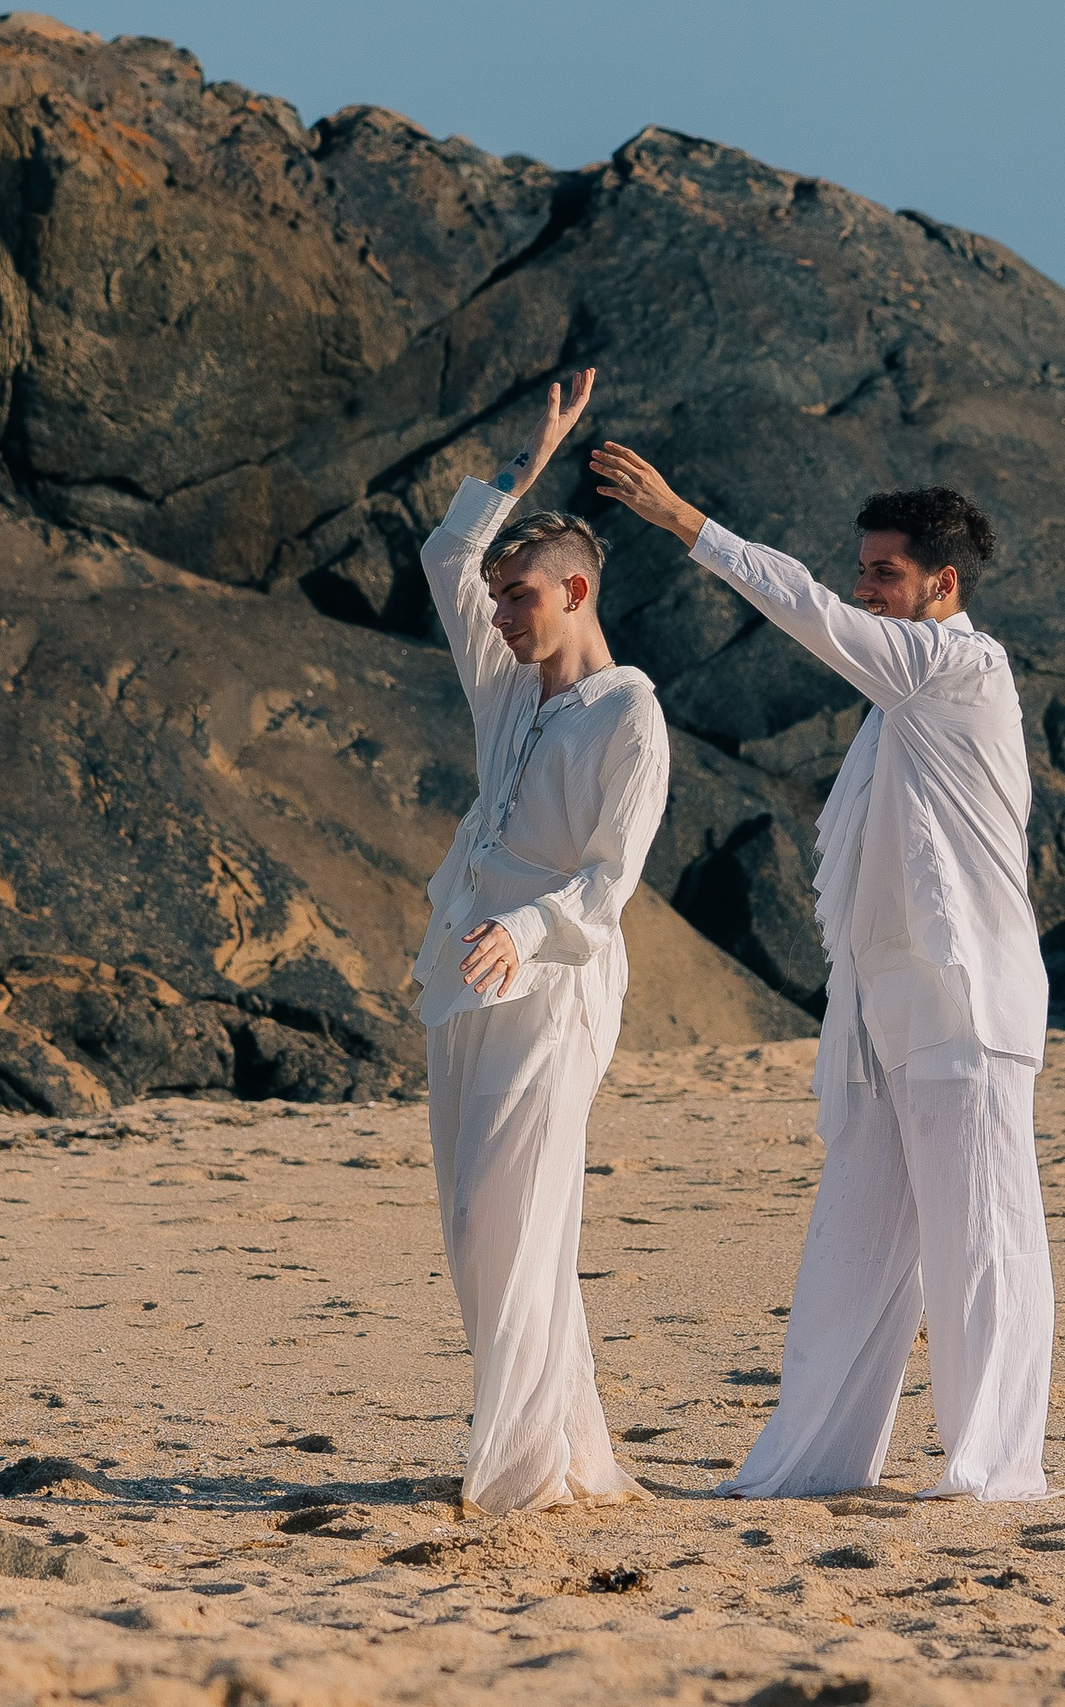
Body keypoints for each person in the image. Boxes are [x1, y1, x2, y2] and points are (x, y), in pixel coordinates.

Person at [588, 441, 1054, 1502]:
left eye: (883, 573)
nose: (861, 587)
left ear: (942, 586)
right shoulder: (903, 700)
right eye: (863, 567)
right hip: (884, 1013)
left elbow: (800, 606)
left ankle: (990, 1473)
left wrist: (681, 519)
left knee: (981, 1242)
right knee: (849, 1251)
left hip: (963, 1004)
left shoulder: (955, 668)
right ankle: (810, 1466)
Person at [413, 369, 670, 1515]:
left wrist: (523, 931)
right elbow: (440, 560)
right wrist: (527, 461)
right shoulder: (507, 688)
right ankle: (561, 1451)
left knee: (510, 1219)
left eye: (521, 597)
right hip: (461, 970)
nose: (502, 613)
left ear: (574, 590)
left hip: (555, 978)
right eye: (502, 597)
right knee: (471, 1223)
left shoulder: (631, 715)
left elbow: (609, 881)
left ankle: (519, 1470)